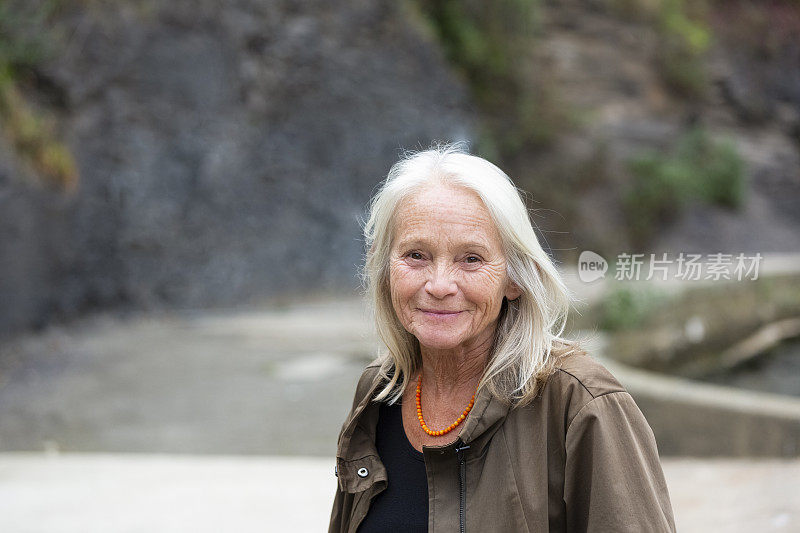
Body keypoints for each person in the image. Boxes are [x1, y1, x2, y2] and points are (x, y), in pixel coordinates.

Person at [329, 143, 675, 532]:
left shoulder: (580, 405)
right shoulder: (379, 392)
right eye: (416, 255)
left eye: (471, 258)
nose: (440, 285)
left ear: (514, 278)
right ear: (384, 267)